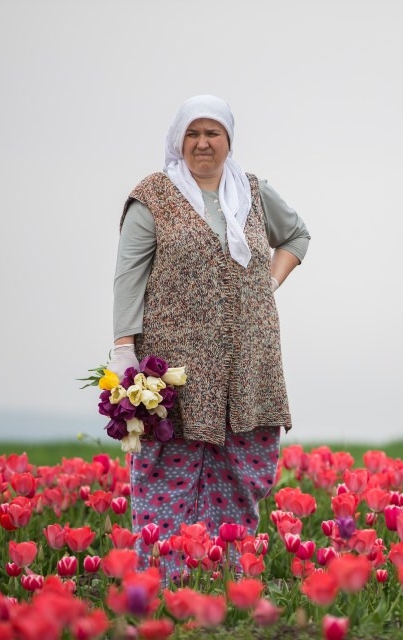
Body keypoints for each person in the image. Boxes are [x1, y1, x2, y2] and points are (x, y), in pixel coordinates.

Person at [108, 95, 310, 580]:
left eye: (212, 133)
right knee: (170, 464)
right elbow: (128, 275)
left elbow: (297, 236)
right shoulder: (154, 196)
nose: (203, 143)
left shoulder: (255, 193)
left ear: (228, 141)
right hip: (175, 361)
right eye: (193, 133)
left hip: (249, 356)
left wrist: (269, 283)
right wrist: (123, 348)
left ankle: (229, 579)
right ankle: (164, 579)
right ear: (179, 140)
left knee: (241, 467)